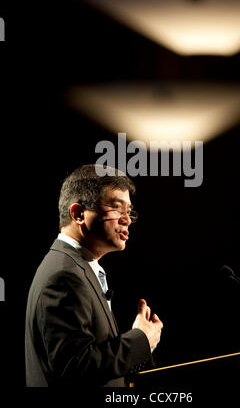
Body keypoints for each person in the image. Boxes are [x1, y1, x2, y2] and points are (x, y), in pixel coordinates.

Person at [25, 164, 163, 387]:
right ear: (78, 214)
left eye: (129, 212)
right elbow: (75, 366)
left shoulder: (76, 266)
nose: (127, 220)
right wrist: (140, 340)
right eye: (117, 208)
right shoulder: (63, 275)